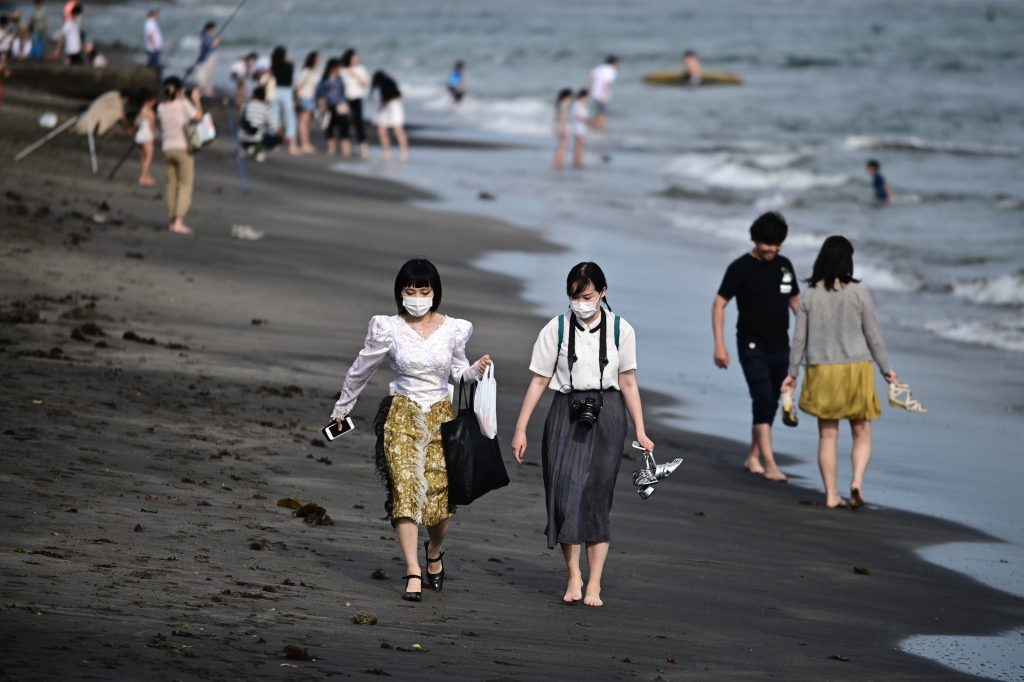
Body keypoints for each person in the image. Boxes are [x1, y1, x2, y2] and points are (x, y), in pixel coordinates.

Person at [329, 258, 491, 602]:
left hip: (441, 416)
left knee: (440, 501)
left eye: (423, 290)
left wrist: (477, 369)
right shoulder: (388, 327)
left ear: (435, 292)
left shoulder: (453, 329)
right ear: (400, 293)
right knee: (404, 490)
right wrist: (342, 409)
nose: (416, 296)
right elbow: (362, 369)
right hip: (401, 413)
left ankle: (434, 551)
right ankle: (412, 570)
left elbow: (459, 373)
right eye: (410, 290)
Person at [511, 262, 654, 607]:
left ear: (602, 294)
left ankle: (595, 584)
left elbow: (628, 382)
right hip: (565, 410)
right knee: (564, 495)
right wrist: (520, 428)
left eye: (587, 296)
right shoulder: (555, 328)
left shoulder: (622, 329)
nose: (580, 302)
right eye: (574, 296)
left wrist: (641, 429)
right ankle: (573, 574)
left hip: (609, 412)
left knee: (596, 498)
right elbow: (539, 380)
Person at [782, 236, 898, 509]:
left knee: (828, 435)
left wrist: (792, 373)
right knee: (862, 431)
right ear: (849, 262)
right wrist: (887, 370)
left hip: (822, 371)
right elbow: (874, 337)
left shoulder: (809, 295)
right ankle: (856, 481)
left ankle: (831, 495)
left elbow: (799, 339)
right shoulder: (860, 293)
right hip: (856, 371)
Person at [712, 211, 800, 482]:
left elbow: (797, 304)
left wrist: (812, 336)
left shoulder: (784, 265)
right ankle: (770, 463)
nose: (773, 250)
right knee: (762, 398)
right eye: (768, 244)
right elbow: (719, 304)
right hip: (751, 345)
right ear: (755, 240)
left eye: (778, 245)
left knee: (771, 401)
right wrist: (719, 346)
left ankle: (753, 456)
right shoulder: (740, 268)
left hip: (781, 345)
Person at [157, 76, 203, 236]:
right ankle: (178, 221)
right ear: (178, 90)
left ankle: (172, 219)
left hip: (167, 148)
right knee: (185, 185)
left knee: (171, 185)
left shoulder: (161, 107)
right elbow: (198, 116)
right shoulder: (183, 104)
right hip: (183, 149)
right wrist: (196, 100)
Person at [315, 58, 349, 157]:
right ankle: (331, 148)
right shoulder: (325, 79)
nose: (340, 69)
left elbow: (343, 91)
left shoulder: (340, 78)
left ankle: (345, 149)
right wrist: (322, 103)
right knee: (329, 127)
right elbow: (319, 92)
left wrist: (346, 103)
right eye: (338, 66)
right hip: (329, 105)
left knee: (344, 127)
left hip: (340, 105)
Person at [340, 48, 370, 159]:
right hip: (344, 99)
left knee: (358, 123)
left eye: (357, 57)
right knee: (344, 124)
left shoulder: (361, 69)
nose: (356, 59)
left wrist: (355, 74)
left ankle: (364, 150)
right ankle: (345, 149)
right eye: (354, 57)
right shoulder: (342, 70)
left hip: (357, 98)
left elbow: (366, 83)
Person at [237, 85, 281, 161]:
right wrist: (281, 137)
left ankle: (246, 148)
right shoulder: (265, 108)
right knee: (274, 138)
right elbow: (274, 127)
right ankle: (257, 150)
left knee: (248, 134)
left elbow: (241, 120)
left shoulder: (244, 105)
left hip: (242, 137)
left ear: (253, 95)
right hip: (256, 138)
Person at [371, 70, 407, 162]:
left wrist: (385, 103)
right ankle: (388, 152)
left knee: (397, 130)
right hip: (386, 106)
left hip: (393, 106)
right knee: (382, 130)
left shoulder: (388, 83)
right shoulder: (386, 83)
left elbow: (399, 95)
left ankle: (403, 152)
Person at [270, 46, 300, 155]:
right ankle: (292, 145)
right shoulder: (289, 65)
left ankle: (275, 142)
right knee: (290, 118)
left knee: (274, 117)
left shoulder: (274, 65)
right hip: (286, 92)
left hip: (275, 91)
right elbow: (293, 79)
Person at [294, 50, 320, 154]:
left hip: (312, 99)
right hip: (304, 98)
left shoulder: (314, 71)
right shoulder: (306, 71)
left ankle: (306, 143)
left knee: (308, 122)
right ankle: (304, 144)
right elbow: (298, 86)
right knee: (303, 122)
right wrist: (297, 99)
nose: (319, 61)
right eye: (318, 58)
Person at [588, 55, 618, 132]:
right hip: (602, 95)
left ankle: (595, 130)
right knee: (603, 114)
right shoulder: (610, 70)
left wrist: (593, 87)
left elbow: (590, 75)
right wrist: (604, 95)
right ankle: (599, 131)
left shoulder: (600, 68)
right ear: (614, 62)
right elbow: (607, 83)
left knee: (598, 113)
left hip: (595, 93)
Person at [134, 90, 157, 186]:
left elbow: (136, 123)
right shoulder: (150, 112)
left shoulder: (141, 111)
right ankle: (144, 177)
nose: (154, 103)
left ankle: (144, 175)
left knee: (143, 157)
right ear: (147, 101)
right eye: (152, 101)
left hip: (140, 135)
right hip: (147, 135)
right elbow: (152, 126)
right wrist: (155, 135)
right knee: (149, 157)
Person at [194, 22, 220, 97]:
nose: (214, 30)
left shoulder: (205, 36)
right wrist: (216, 42)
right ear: (210, 29)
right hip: (208, 57)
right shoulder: (206, 36)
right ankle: (207, 90)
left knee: (208, 74)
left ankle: (207, 89)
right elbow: (209, 46)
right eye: (213, 29)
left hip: (208, 57)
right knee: (208, 74)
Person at [552, 88, 573, 170]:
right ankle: (559, 163)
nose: (571, 98)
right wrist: (564, 129)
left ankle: (557, 162)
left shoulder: (560, 104)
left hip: (559, 126)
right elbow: (562, 118)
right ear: (566, 96)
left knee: (560, 145)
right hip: (562, 127)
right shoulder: (563, 104)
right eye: (570, 96)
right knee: (562, 146)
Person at [571, 89, 590, 169]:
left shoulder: (581, 104)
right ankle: (578, 161)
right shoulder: (578, 104)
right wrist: (587, 120)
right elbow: (578, 116)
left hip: (581, 128)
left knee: (580, 145)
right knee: (580, 145)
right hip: (578, 128)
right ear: (584, 96)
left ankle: (578, 161)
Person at [143, 9, 162, 75]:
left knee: (152, 65)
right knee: (153, 66)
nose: (158, 16)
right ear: (152, 15)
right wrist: (155, 46)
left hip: (153, 48)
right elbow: (150, 36)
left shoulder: (152, 23)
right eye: (157, 14)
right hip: (152, 48)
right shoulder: (150, 23)